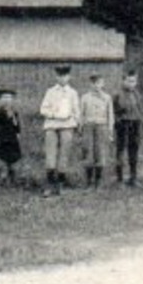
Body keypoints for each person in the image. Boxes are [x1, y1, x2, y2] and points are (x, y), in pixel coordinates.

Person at [39, 65, 81, 195]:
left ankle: (60, 184)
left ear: (69, 77)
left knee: (64, 154)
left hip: (67, 125)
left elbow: (77, 111)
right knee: (51, 154)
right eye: (59, 76)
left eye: (65, 76)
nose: (62, 79)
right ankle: (49, 184)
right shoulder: (50, 92)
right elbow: (43, 109)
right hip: (52, 125)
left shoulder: (73, 93)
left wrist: (78, 124)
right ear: (56, 77)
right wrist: (53, 114)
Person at [79, 74, 115, 187]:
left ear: (103, 84)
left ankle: (98, 180)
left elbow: (110, 115)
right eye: (94, 83)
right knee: (89, 152)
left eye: (99, 83)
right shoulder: (85, 97)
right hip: (88, 126)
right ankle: (89, 180)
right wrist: (80, 129)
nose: (96, 86)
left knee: (100, 152)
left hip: (102, 126)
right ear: (90, 84)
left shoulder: (107, 98)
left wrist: (110, 130)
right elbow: (81, 114)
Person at [113, 70, 143, 186]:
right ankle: (119, 178)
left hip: (135, 123)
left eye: (134, 81)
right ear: (123, 81)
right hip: (122, 124)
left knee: (133, 150)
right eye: (129, 81)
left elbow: (139, 109)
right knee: (120, 150)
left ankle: (133, 177)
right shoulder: (117, 94)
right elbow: (114, 111)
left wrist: (139, 120)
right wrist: (119, 119)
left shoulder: (136, 94)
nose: (132, 84)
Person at [0, 88, 23, 185]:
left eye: (9, 98)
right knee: (1, 158)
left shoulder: (14, 113)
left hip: (13, 140)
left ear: (13, 100)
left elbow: (17, 125)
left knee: (13, 159)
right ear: (0, 99)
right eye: (4, 98)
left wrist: (18, 133)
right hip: (4, 140)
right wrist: (0, 135)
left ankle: (12, 178)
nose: (7, 100)